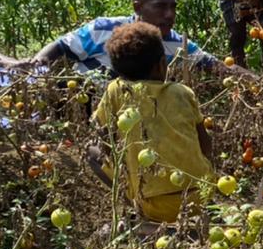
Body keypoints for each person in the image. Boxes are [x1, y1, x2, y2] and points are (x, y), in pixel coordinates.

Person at [87, 22, 213, 224]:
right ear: (162, 64)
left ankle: (140, 214)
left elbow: (99, 138)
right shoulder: (182, 92)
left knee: (91, 152)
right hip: (201, 196)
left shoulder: (116, 91)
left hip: (154, 205)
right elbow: (206, 145)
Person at [27, 0, 231, 77]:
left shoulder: (178, 45)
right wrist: (37, 66)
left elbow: (217, 66)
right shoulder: (104, 29)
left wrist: (257, 82)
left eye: (172, 8)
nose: (169, 15)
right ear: (137, 7)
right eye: (160, 7)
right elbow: (61, 47)